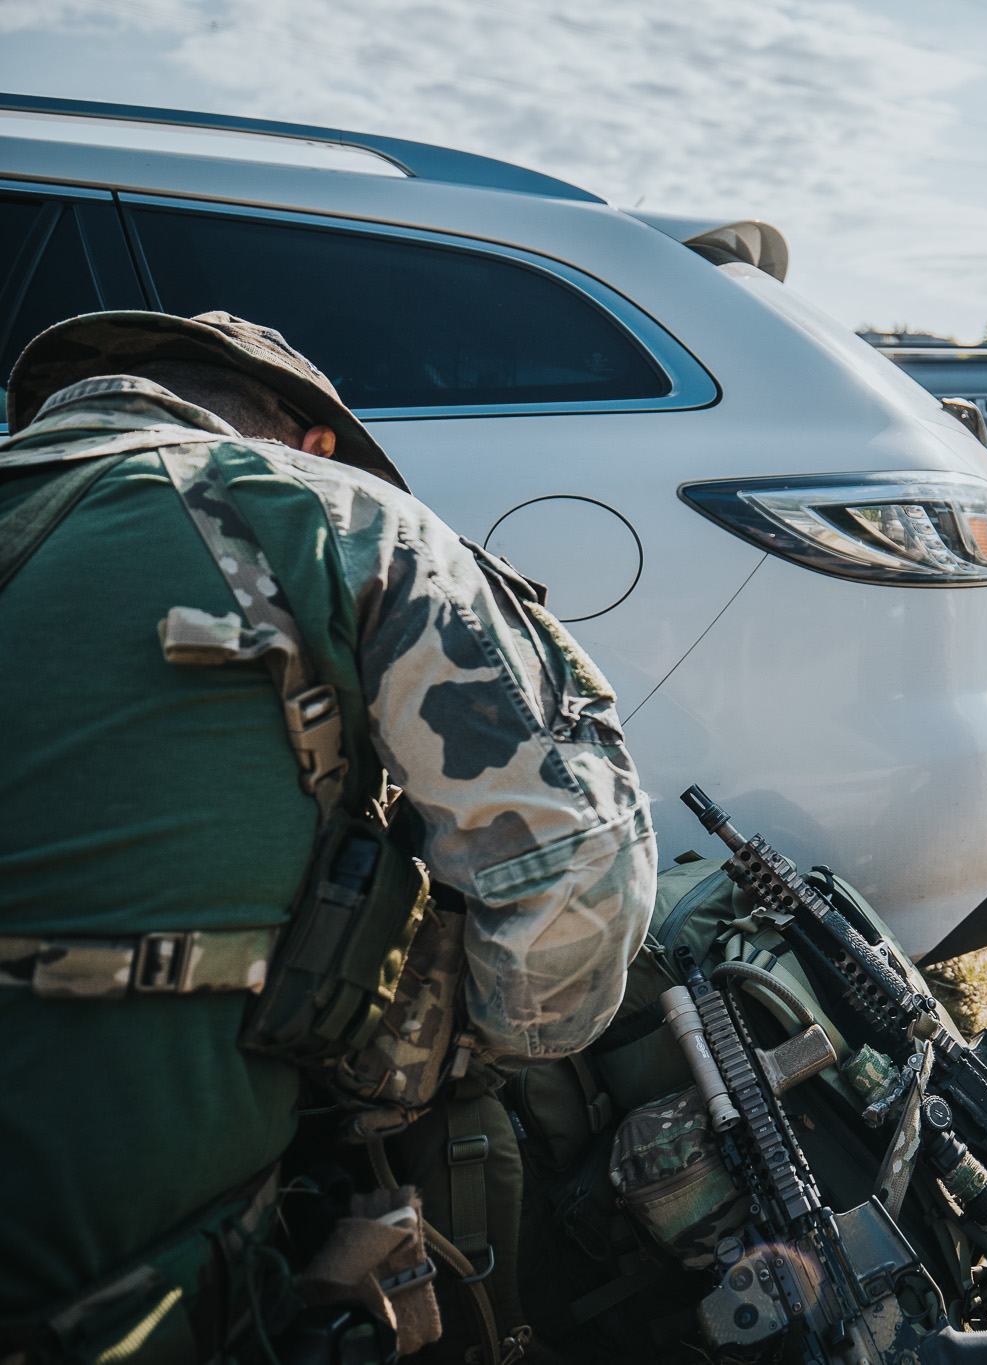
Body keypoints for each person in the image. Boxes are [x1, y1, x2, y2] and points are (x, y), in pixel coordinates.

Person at [0, 312, 657, 1362]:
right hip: (126, 1300)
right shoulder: (335, 515)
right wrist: (445, 1051)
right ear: (314, 442)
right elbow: (573, 877)